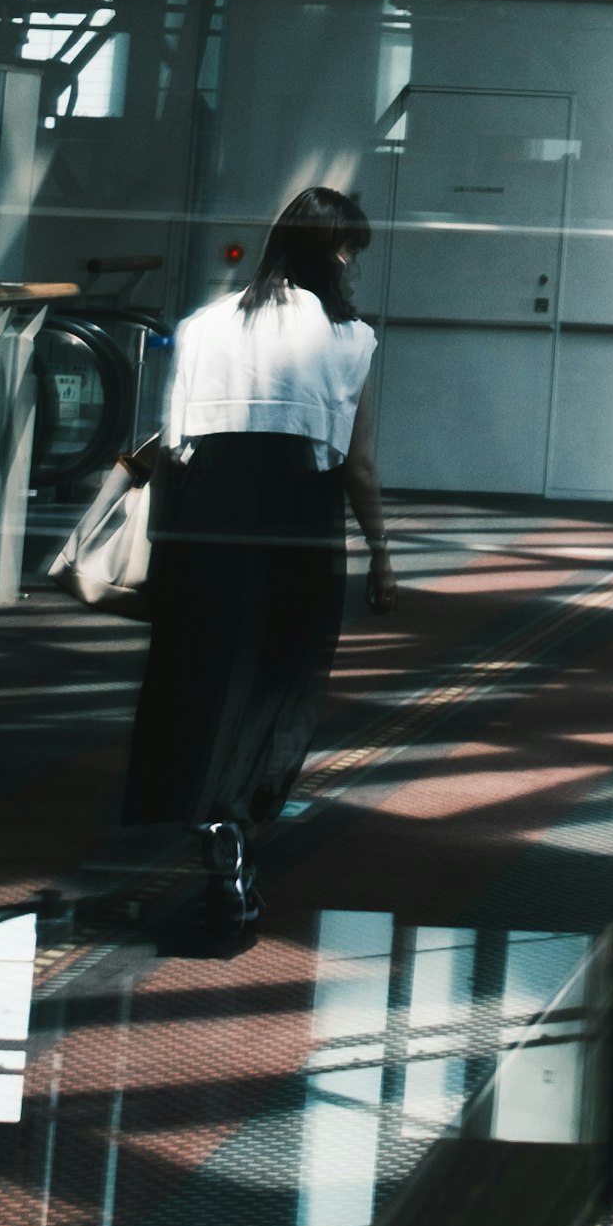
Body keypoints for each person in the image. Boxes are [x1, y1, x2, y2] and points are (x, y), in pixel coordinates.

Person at [121, 185, 400, 939]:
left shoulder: (205, 325)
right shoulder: (347, 337)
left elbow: (171, 438)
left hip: (203, 514)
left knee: (200, 666)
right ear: (334, 255)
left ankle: (199, 807)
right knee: (283, 674)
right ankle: (237, 815)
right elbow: (359, 464)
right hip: (295, 515)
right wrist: (380, 551)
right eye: (350, 252)